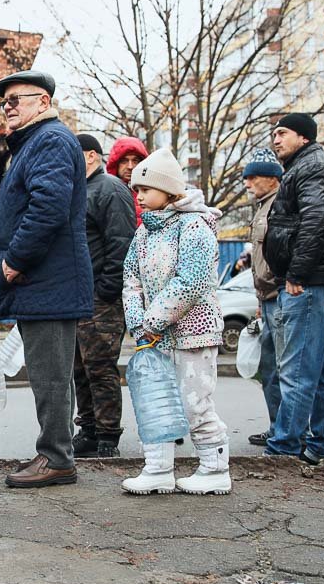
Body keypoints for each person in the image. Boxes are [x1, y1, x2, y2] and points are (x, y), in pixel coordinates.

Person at [0, 71, 93, 488]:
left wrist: (14, 259)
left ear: (44, 102)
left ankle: (58, 459)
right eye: (5, 101)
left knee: (50, 376)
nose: (8, 106)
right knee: (49, 374)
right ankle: (53, 450)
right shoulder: (36, 143)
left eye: (17, 98)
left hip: (46, 281)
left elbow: (47, 207)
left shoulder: (49, 140)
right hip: (43, 282)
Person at [121, 148, 231, 495]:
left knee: (192, 401)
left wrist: (152, 321)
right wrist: (139, 321)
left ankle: (215, 468)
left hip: (192, 334)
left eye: (145, 189)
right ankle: (157, 469)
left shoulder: (194, 227)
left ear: (168, 190)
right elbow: (131, 279)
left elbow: (191, 281)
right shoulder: (144, 232)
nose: (138, 196)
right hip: (155, 336)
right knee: (156, 400)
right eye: (136, 190)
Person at [263, 113, 324, 465]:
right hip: (319, 280)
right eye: (273, 134)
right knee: (321, 368)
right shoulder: (308, 166)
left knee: (297, 368)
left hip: (310, 283)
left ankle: (284, 446)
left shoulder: (312, 167)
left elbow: (319, 217)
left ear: (303, 137)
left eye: (282, 133)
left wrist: (297, 273)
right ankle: (323, 444)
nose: (275, 139)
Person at [72, 133, 136, 458]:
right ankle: (89, 430)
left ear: (92, 156)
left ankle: (108, 434)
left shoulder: (110, 188)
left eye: (74, 154)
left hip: (101, 297)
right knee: (79, 368)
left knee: (99, 366)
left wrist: (108, 288)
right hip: (77, 297)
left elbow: (121, 241)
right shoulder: (79, 190)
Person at [240, 148, 285, 447]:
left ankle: (288, 431)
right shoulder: (262, 206)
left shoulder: (280, 205)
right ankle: (278, 427)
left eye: (252, 177)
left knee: (284, 368)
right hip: (267, 297)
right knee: (269, 368)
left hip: (281, 295)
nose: (247, 183)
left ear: (272, 178)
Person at [107, 137, 150, 225]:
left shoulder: (154, 192)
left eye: (135, 161)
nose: (130, 166)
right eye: (124, 161)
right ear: (116, 164)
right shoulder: (106, 193)